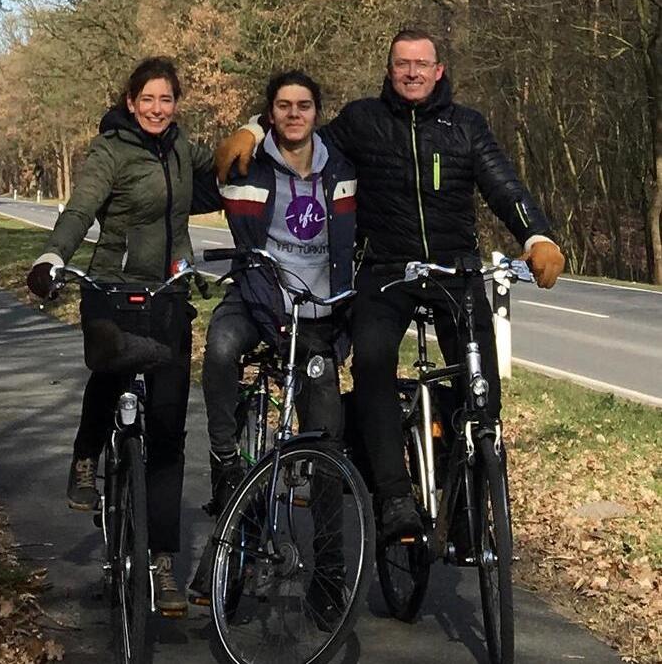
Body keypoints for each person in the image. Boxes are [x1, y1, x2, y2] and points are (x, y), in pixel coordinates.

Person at [216, 27, 565, 541]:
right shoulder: (363, 121)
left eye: (422, 64)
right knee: (373, 362)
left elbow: (503, 183)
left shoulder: (466, 126)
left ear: (439, 71)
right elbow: (298, 135)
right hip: (386, 270)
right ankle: (395, 496)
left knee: (479, 384)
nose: (412, 72)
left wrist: (536, 235)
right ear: (389, 70)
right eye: (402, 63)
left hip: (454, 269)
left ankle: (470, 498)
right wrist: (252, 128)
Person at [26, 56, 218, 616]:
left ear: (175, 103)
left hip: (170, 296)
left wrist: (256, 131)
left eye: (167, 99)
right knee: (109, 369)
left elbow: (231, 163)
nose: (158, 109)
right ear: (131, 102)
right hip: (111, 288)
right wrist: (52, 254)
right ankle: (87, 454)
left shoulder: (185, 148)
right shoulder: (110, 151)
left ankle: (160, 560)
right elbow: (80, 208)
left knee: (166, 429)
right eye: (148, 99)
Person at [188, 69, 356, 617]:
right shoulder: (244, 164)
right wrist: (244, 131)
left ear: (317, 112)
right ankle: (224, 458)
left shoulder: (345, 169)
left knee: (327, 445)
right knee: (218, 347)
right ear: (269, 114)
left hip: (317, 315)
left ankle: (329, 580)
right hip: (256, 299)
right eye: (281, 106)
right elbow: (170, 186)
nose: (293, 114)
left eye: (303, 105)